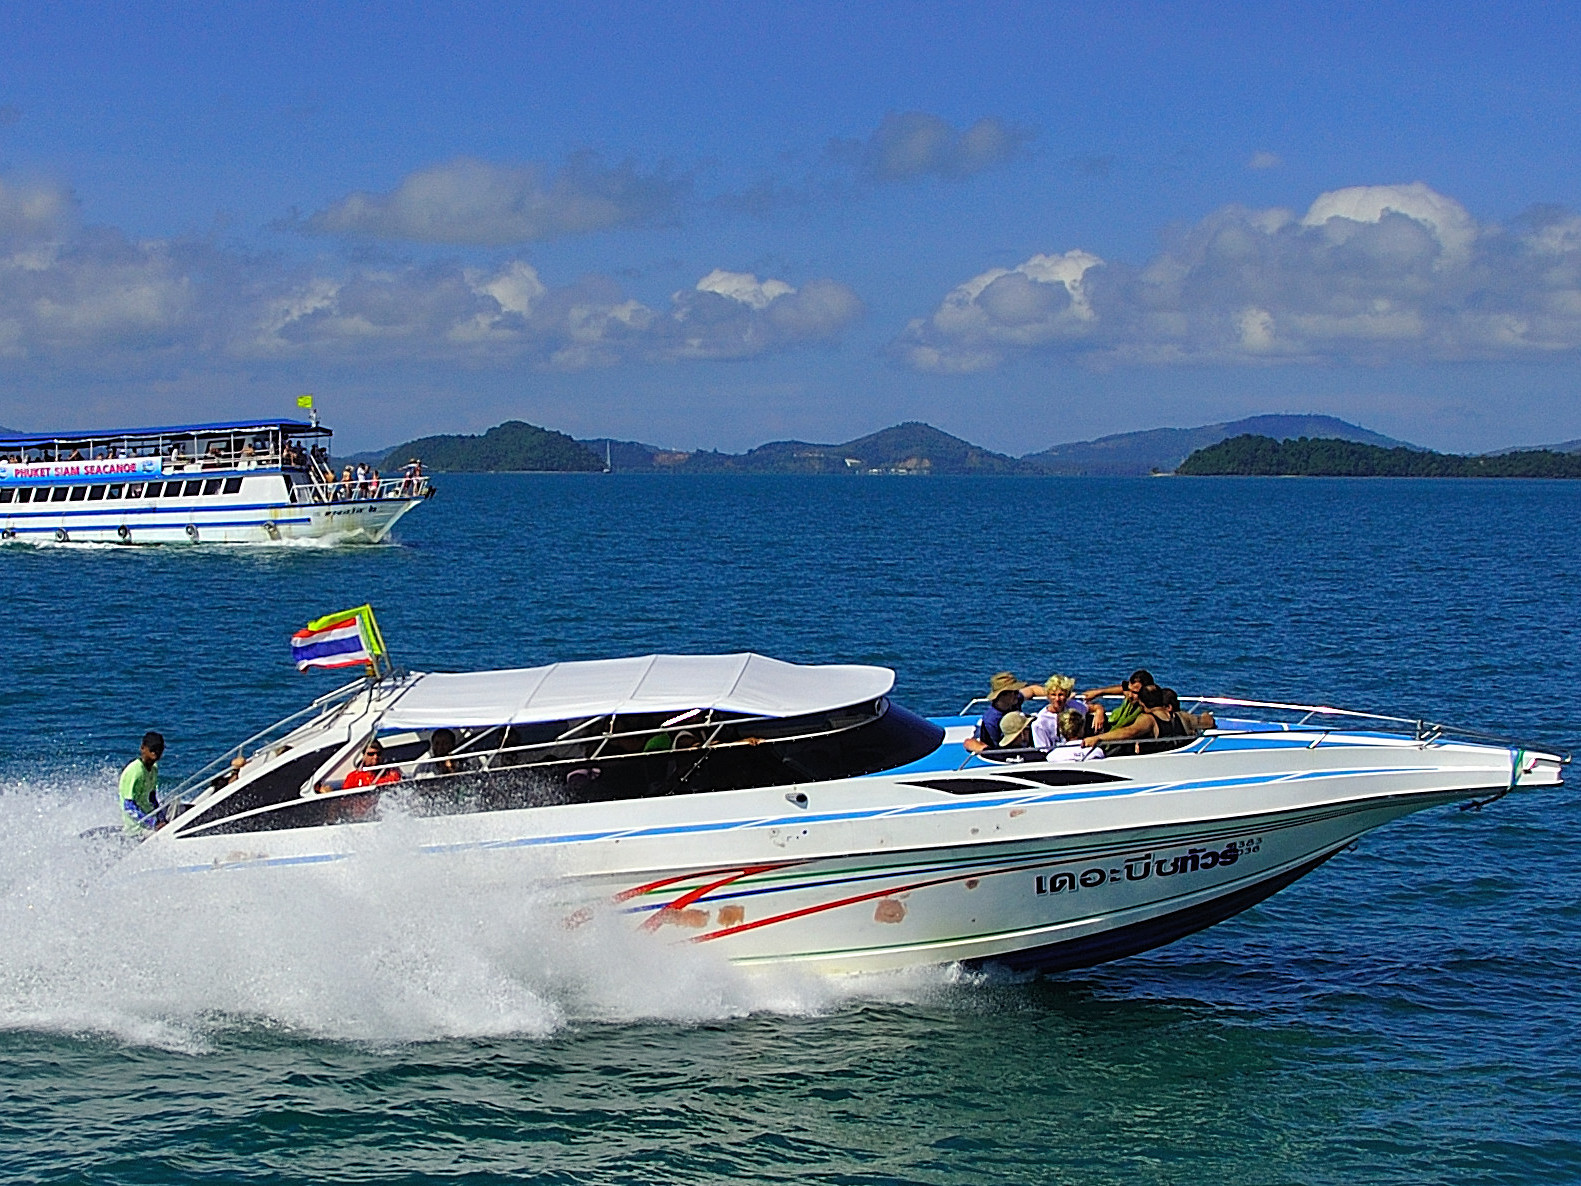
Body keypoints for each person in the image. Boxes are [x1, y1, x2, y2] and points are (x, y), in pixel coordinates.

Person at [1084, 685, 1190, 755]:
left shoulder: (1148, 720)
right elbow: (1203, 721)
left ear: (1142, 703)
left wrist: (1097, 738)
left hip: (1151, 762)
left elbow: (1129, 732)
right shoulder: (1183, 716)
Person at [963, 672, 1031, 754]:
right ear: (1002, 695)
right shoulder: (991, 720)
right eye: (1015, 692)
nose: (1018, 694)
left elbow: (1032, 690)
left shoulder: (1014, 700)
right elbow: (972, 742)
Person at [1030, 674, 1103, 750]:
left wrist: (1099, 712)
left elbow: (1094, 707)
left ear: (1067, 695)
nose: (1057, 699)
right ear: (1048, 696)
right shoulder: (1040, 722)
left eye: (1061, 695)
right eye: (1053, 695)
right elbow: (1043, 750)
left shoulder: (1074, 706)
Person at [120, 731, 165, 837]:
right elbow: (128, 806)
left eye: (159, 749)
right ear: (143, 748)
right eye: (152, 749)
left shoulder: (154, 768)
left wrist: (161, 818)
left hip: (150, 817)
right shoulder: (134, 771)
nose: (155, 753)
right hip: (137, 828)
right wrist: (153, 823)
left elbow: (152, 798)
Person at [1080, 669, 1153, 733]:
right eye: (1129, 690)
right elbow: (1123, 688)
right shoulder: (1131, 697)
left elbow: (1130, 732)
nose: (1130, 695)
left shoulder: (1147, 710)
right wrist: (1099, 692)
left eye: (1135, 692)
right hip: (1112, 727)